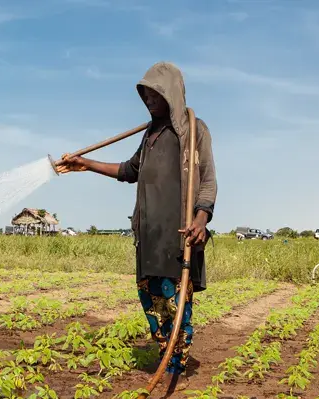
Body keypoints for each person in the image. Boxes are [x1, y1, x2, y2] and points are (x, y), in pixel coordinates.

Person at [55, 61, 217, 392]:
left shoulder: (193, 129)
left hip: (178, 233)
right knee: (152, 300)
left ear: (170, 93)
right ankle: (165, 352)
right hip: (149, 233)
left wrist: (201, 219)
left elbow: (209, 181)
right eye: (144, 94)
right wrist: (85, 164)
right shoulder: (150, 135)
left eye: (154, 94)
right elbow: (130, 171)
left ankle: (177, 363)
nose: (148, 100)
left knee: (176, 301)